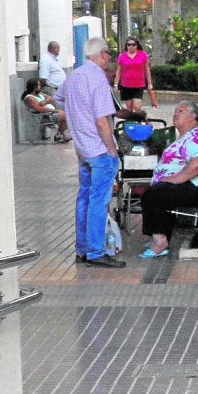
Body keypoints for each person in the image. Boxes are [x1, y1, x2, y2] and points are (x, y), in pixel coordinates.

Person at [54, 37, 125, 268]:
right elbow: (102, 121)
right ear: (103, 54)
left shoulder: (74, 76)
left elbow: (58, 98)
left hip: (82, 149)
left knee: (84, 197)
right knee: (98, 200)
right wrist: (112, 151)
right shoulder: (97, 80)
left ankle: (82, 248)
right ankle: (96, 251)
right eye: (109, 55)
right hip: (99, 149)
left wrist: (76, 116)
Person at [139, 101, 198, 257]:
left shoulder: (196, 136)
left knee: (152, 195)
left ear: (193, 117)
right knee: (156, 192)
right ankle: (160, 238)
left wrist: (176, 179)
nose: (175, 114)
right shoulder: (188, 135)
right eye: (175, 110)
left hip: (194, 188)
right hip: (187, 185)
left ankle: (160, 241)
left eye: (180, 111)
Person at [114, 36, 157, 113]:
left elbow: (147, 70)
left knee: (137, 107)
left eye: (133, 44)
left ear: (137, 45)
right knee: (129, 108)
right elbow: (118, 71)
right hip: (126, 86)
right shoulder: (122, 56)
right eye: (129, 45)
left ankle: (143, 119)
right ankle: (132, 124)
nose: (131, 46)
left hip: (139, 85)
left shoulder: (143, 55)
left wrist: (150, 84)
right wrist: (116, 84)